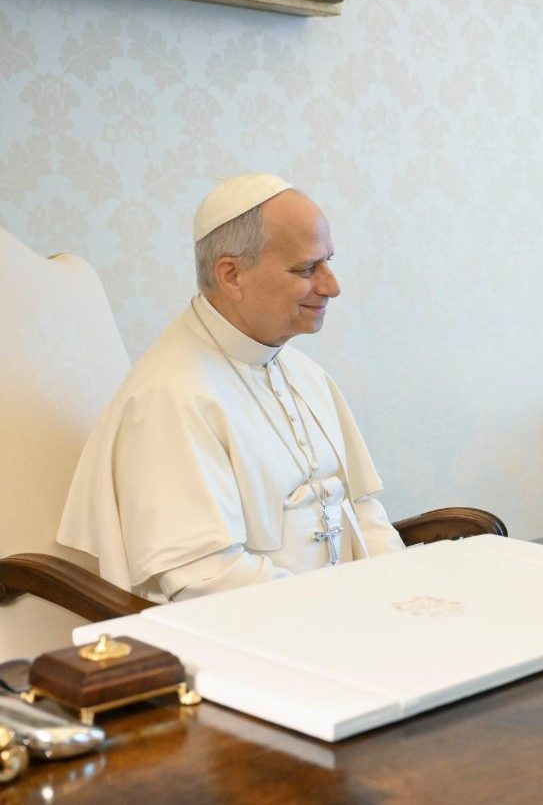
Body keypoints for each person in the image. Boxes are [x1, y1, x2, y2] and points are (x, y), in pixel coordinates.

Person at [57, 174, 405, 601]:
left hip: (341, 613)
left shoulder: (305, 374)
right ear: (232, 275)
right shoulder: (170, 396)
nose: (332, 286)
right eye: (307, 268)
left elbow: (362, 511)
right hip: (255, 626)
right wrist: (333, 611)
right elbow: (205, 577)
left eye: (328, 261)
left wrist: (401, 592)